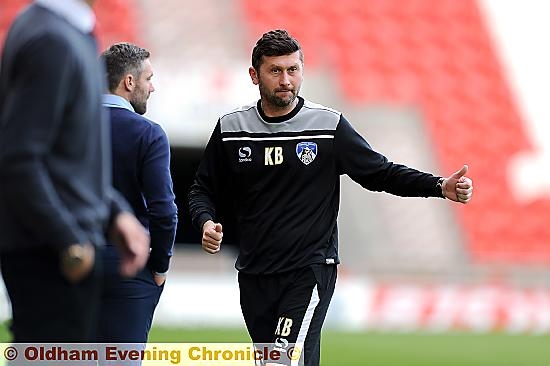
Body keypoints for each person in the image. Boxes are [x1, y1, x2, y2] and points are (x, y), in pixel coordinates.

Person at [188, 29, 473, 366]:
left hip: (308, 269)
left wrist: (438, 185)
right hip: (254, 274)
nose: (285, 80)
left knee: (282, 360)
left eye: (293, 70)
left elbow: (379, 172)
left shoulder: (327, 125)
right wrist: (205, 221)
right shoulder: (232, 128)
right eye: (275, 71)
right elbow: (201, 189)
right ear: (255, 75)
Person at [0, 0, 150, 342]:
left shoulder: (68, 31)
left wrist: (115, 213)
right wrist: (69, 241)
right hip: (54, 255)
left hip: (64, 248)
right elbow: (19, 158)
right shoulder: (50, 38)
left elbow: (68, 157)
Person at [97, 42, 178, 343]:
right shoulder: (148, 133)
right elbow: (164, 211)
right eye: (149, 79)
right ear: (129, 82)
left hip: (73, 261)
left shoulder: (69, 127)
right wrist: (160, 266)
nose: (152, 87)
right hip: (130, 267)